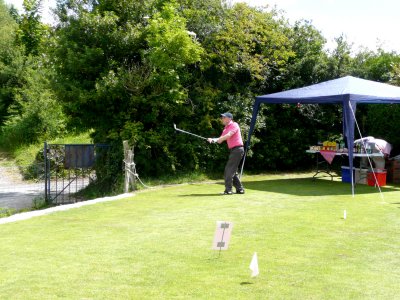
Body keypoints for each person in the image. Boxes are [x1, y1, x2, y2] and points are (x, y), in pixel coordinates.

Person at [207, 112, 245, 195]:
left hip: (238, 149)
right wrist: (213, 139)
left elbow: (228, 135)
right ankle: (240, 189)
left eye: (224, 117)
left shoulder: (234, 125)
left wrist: (218, 139)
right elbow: (220, 139)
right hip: (234, 150)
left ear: (229, 118)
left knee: (228, 170)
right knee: (232, 171)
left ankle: (228, 190)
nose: (222, 119)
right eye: (222, 118)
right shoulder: (225, 128)